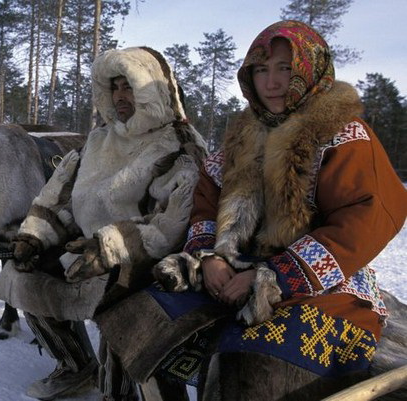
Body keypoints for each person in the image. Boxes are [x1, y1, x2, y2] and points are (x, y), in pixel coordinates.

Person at [148, 20, 407, 400]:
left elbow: (365, 218)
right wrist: (209, 257)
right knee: (146, 317)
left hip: (325, 282)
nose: (271, 83)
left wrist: (276, 276)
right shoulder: (243, 134)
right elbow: (207, 197)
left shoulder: (345, 135)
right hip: (237, 265)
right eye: (261, 69)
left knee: (254, 356)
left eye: (285, 69)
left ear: (310, 69)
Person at [0, 46, 208, 400]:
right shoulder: (98, 139)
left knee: (117, 301)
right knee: (23, 272)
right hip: (87, 248)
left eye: (130, 87)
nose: (121, 96)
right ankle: (76, 365)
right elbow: (62, 197)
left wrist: (110, 247)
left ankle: (119, 391)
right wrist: (35, 236)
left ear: (151, 90)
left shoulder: (177, 145)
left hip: (143, 259)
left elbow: (171, 225)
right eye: (115, 88)